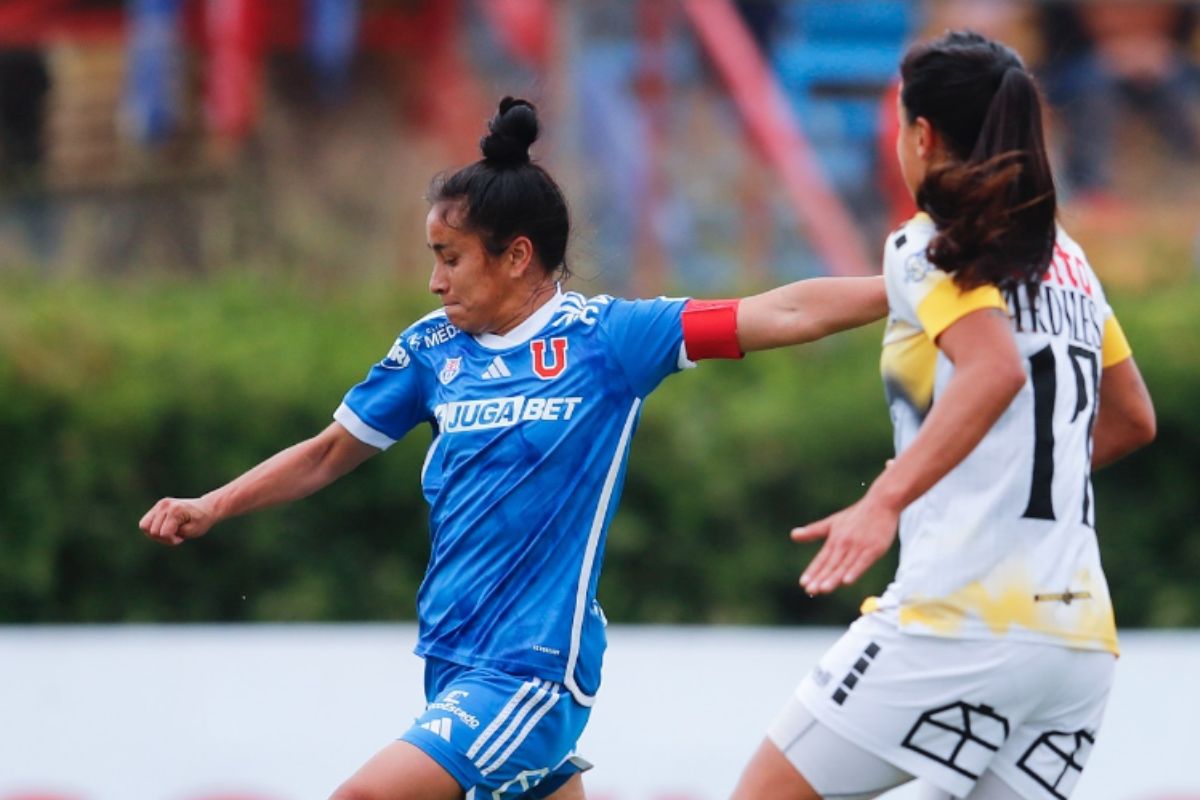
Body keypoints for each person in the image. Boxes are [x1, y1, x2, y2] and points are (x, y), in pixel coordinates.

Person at [140, 96, 888, 800]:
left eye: (451, 257)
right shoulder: (431, 351)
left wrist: (909, 283)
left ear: (517, 256)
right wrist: (214, 503)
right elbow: (330, 451)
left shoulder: (608, 341)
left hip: (529, 671)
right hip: (451, 661)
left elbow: (782, 311)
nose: (434, 282)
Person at [732, 31, 1156, 800]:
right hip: (1076, 645)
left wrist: (887, 497)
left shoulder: (925, 245)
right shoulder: (1068, 258)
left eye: (899, 125)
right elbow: (1131, 418)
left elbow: (993, 368)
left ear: (922, 136)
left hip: (959, 621)